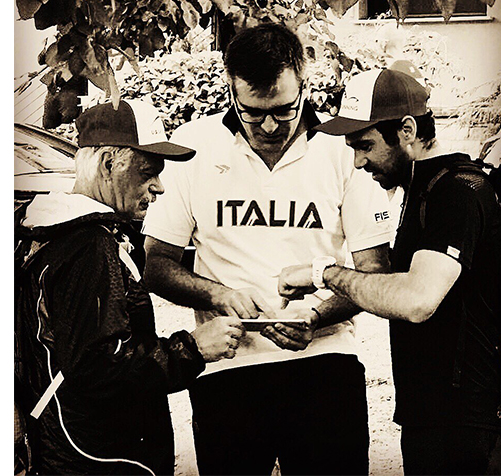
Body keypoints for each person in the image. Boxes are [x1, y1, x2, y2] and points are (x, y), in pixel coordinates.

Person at [142, 23, 393, 475]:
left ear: (305, 84)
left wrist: (316, 317)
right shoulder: (194, 146)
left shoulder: (344, 148)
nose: (270, 126)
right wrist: (217, 296)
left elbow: (373, 270)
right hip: (227, 367)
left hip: (326, 362)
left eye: (284, 109)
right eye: (252, 113)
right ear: (230, 88)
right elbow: (157, 265)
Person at [278, 68, 501, 475]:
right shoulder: (424, 190)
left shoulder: (456, 191)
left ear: (406, 130)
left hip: (465, 426)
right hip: (433, 418)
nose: (358, 161)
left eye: (365, 145)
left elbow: (417, 300)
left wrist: (323, 273)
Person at [14, 99, 246, 475]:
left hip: (75, 451)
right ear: (108, 164)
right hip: (98, 458)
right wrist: (192, 348)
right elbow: (97, 368)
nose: (159, 187)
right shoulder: (88, 245)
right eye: (147, 172)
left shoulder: (55, 234)